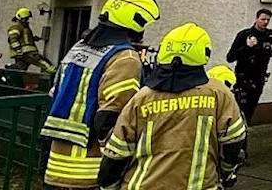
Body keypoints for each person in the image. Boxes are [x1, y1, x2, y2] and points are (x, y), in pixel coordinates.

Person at [99, 23, 247, 190]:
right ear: (204, 54)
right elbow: (233, 144)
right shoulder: (219, 94)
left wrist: (108, 186)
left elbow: (116, 153)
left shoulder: (142, 97)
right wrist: (226, 173)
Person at [41, 0, 160, 188]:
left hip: (57, 160)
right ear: (136, 21)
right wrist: (116, 167)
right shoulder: (125, 58)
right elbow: (112, 117)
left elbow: (55, 94)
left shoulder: (78, 48)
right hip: (91, 165)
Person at [226, 8, 272, 124]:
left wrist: (260, 48)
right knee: (240, 110)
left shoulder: (270, 35)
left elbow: (271, 51)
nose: (265, 22)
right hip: (244, 78)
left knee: (250, 110)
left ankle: (245, 132)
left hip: (259, 78)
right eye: (263, 19)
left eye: (268, 20)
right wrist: (247, 47)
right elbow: (230, 57)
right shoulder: (244, 35)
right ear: (256, 19)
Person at [7, 7, 54, 73]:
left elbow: (24, 39)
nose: (26, 20)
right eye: (25, 19)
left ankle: (11, 80)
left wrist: (33, 38)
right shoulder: (15, 27)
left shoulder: (24, 28)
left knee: (19, 70)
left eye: (27, 18)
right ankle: (56, 73)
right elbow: (13, 40)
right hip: (26, 53)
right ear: (19, 18)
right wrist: (18, 51)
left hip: (24, 53)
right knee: (44, 63)